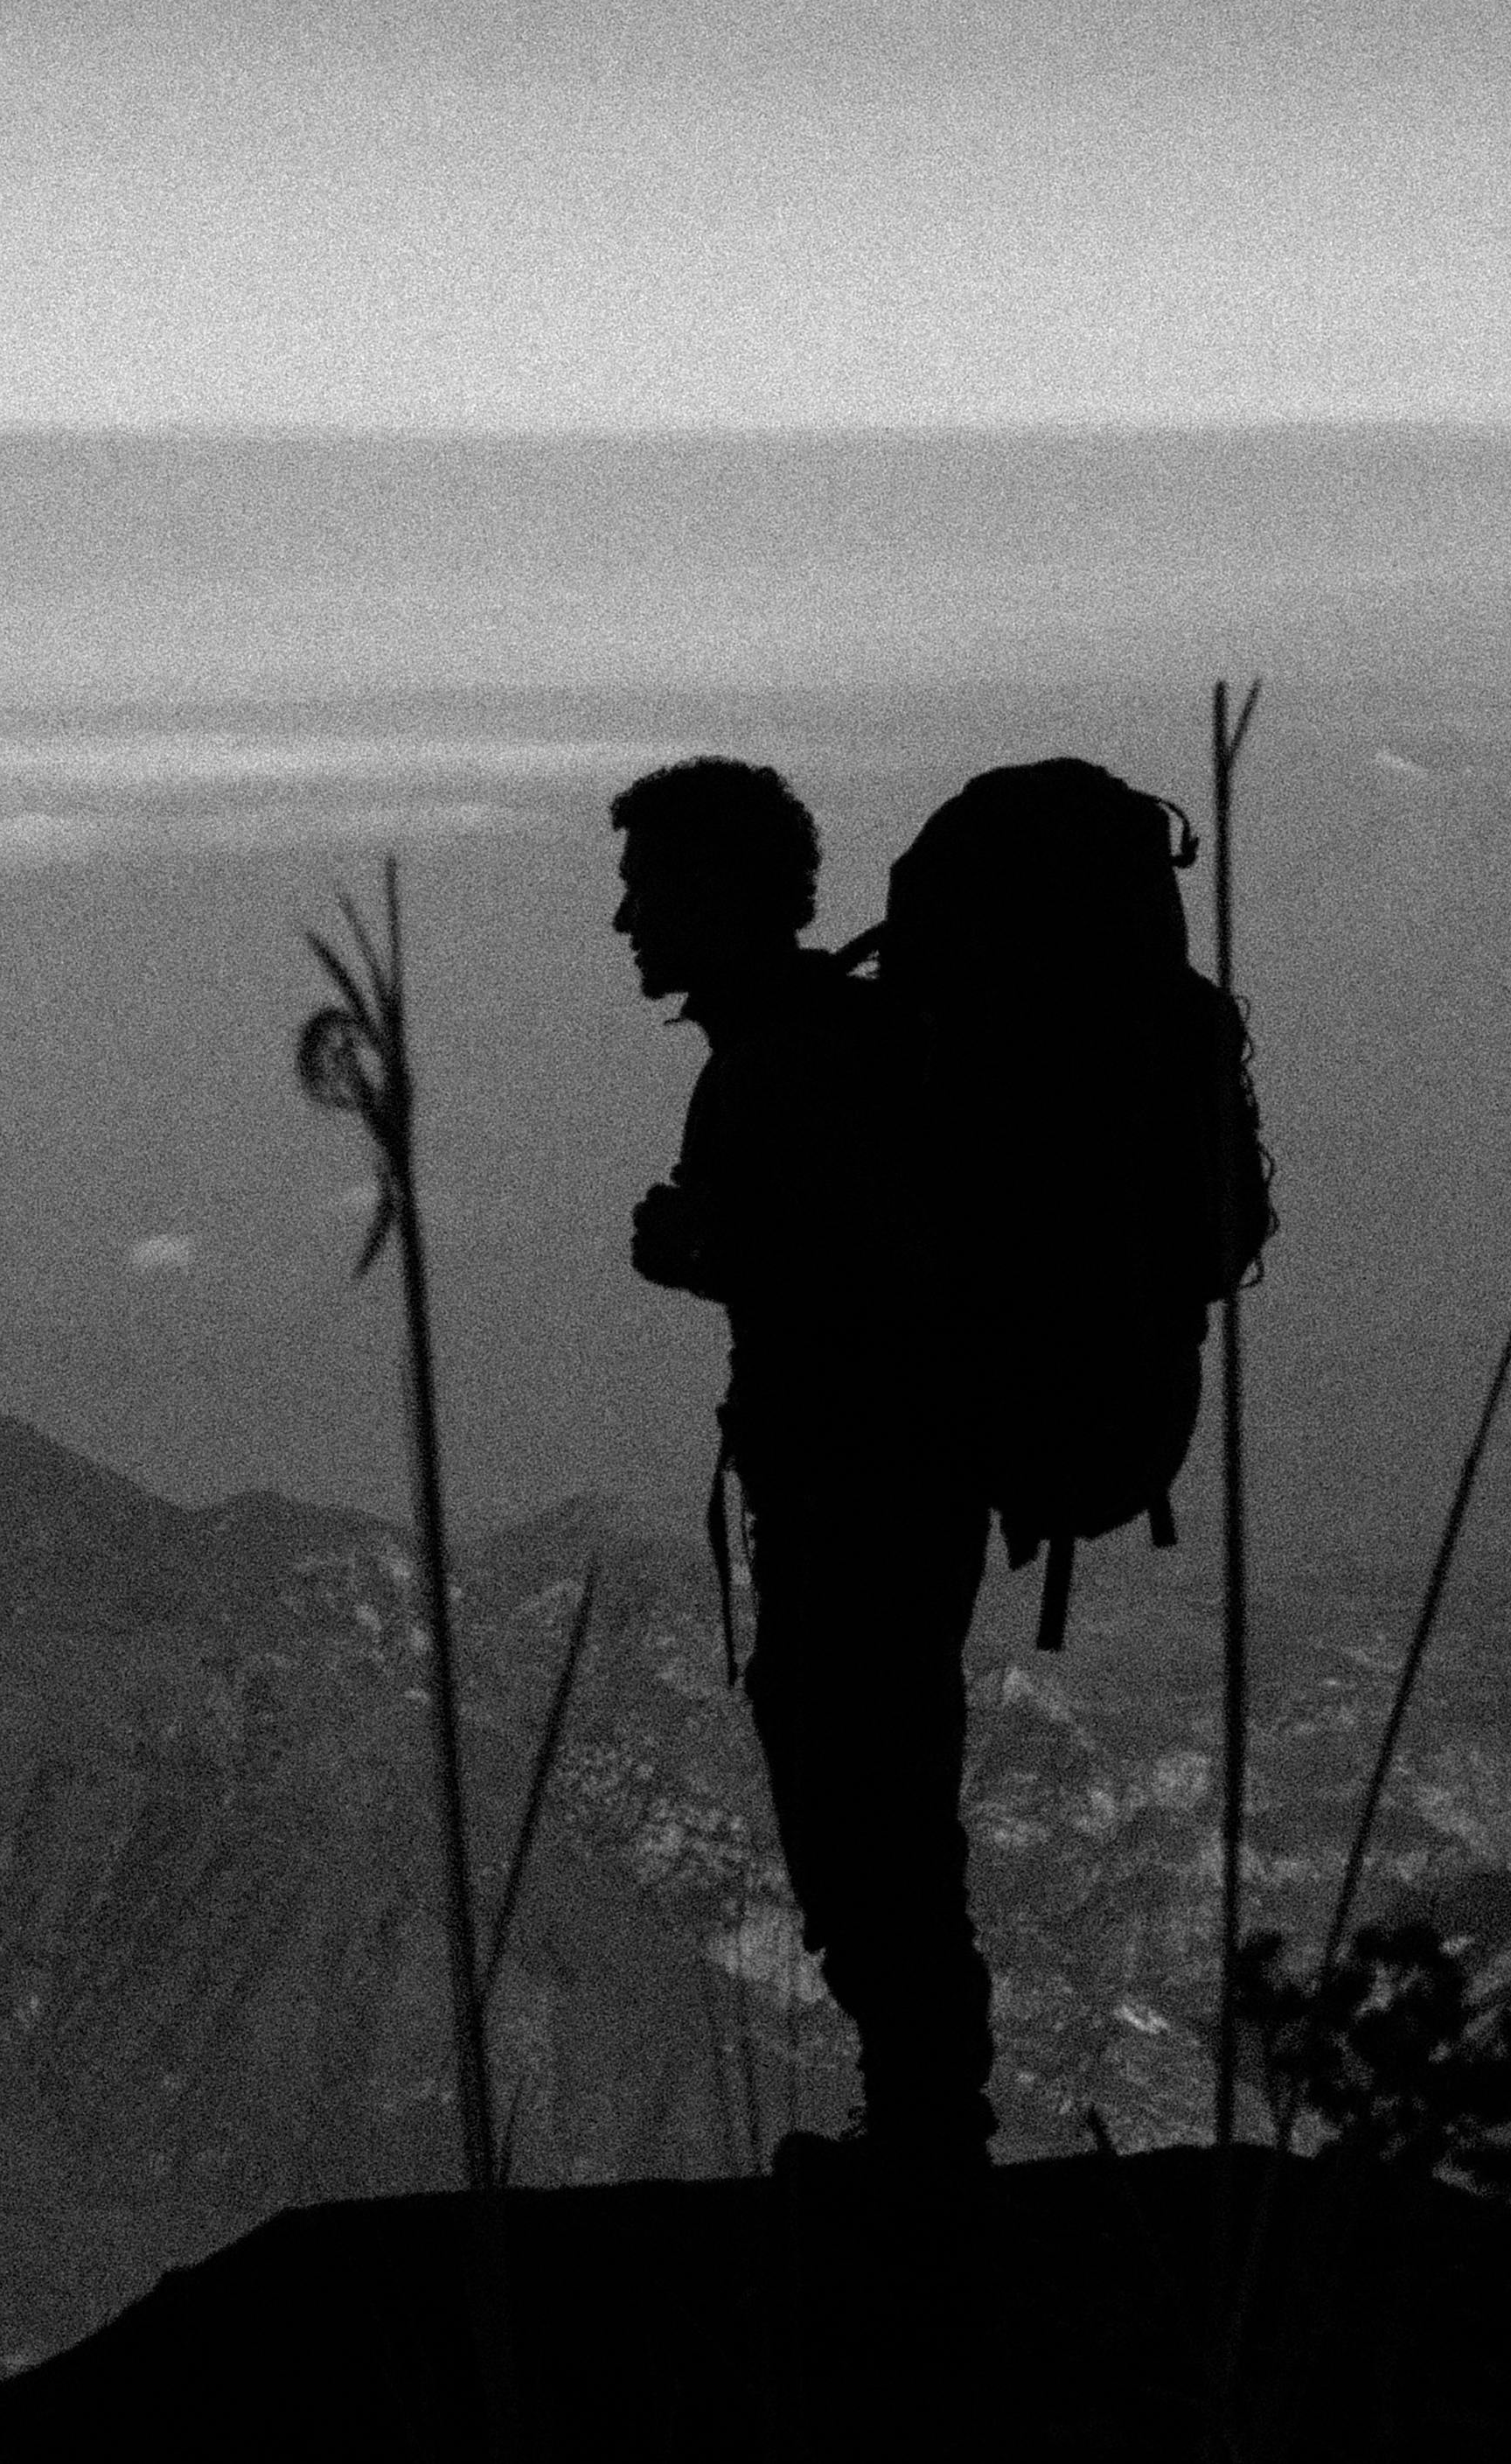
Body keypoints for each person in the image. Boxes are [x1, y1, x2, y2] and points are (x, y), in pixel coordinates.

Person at [615, 752, 996, 2172]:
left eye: (646, 889)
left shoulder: (794, 1061)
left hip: (864, 1501)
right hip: (883, 1492)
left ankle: (928, 2132)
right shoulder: (820, 1044)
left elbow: (872, 1287)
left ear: (719, 894)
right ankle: (924, 2117)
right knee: (877, 1804)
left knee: (867, 1810)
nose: (626, 924)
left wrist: (708, 1255)